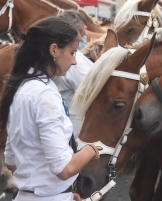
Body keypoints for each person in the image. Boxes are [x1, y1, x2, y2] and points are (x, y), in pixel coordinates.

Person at [0, 16, 100, 201]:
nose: (75, 61)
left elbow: (12, 161)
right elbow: (64, 169)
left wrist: (63, 194)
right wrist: (92, 150)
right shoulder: (44, 95)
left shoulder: (20, 88)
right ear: (54, 50)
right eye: (72, 52)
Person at [54, 10, 93, 138]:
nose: (86, 34)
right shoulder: (76, 62)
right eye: (83, 30)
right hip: (76, 130)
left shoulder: (74, 56)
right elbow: (92, 92)